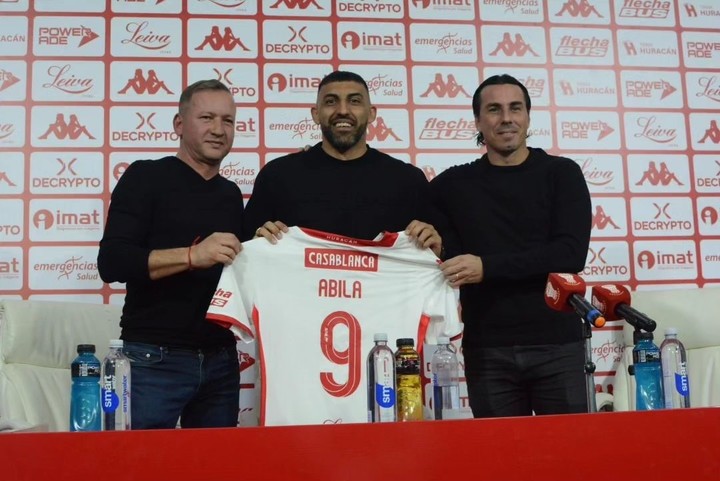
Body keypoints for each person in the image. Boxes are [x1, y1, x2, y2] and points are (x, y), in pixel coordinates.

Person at [430, 74, 592, 417]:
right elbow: (401, 217)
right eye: (494, 109)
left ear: (528, 117)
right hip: (488, 349)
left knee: (570, 462)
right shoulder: (451, 186)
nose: (506, 118)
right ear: (477, 121)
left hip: (558, 345)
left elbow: (570, 254)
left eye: (515, 108)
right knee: (500, 465)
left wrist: (486, 267)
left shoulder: (561, 174)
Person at [97, 79, 244, 429]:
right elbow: (113, 261)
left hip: (221, 360)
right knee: (135, 467)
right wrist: (193, 255)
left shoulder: (231, 194)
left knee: (216, 469)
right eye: (206, 117)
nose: (218, 130)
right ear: (179, 124)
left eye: (228, 121)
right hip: (152, 358)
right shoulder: (145, 176)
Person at [245, 70, 441, 254]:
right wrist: (256, 244)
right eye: (331, 102)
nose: (343, 110)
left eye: (354, 101)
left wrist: (436, 246)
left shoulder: (408, 180)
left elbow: (436, 254)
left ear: (371, 113)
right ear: (315, 114)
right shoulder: (277, 176)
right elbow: (246, 249)